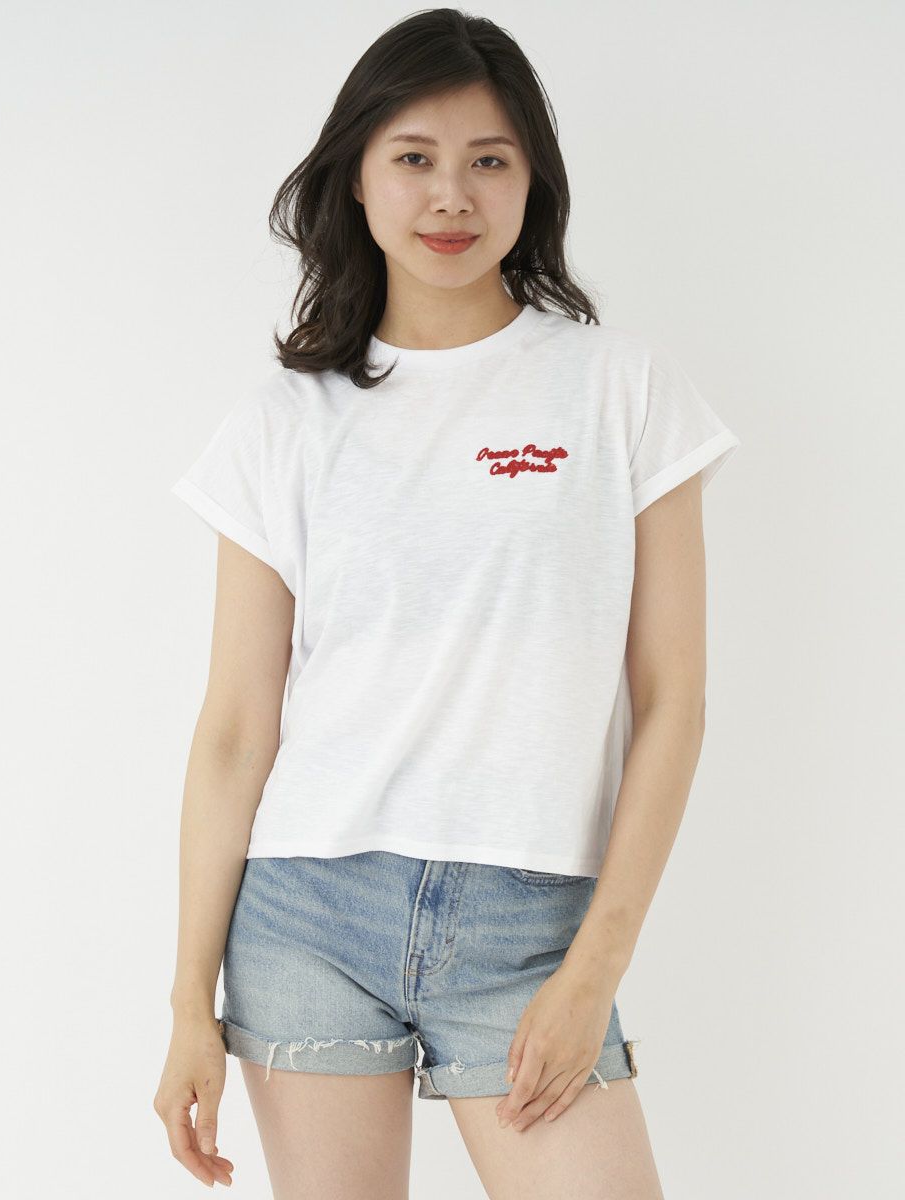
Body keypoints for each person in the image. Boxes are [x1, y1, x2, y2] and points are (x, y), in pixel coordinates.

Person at [153, 9, 740, 1198]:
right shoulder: (284, 422)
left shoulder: (617, 390)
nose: (450, 195)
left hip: (532, 925)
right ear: (356, 177)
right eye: (413, 157)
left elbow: (672, 699)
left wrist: (592, 970)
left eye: (489, 160)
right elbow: (234, 732)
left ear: (533, 181)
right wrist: (186, 1007)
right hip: (307, 913)